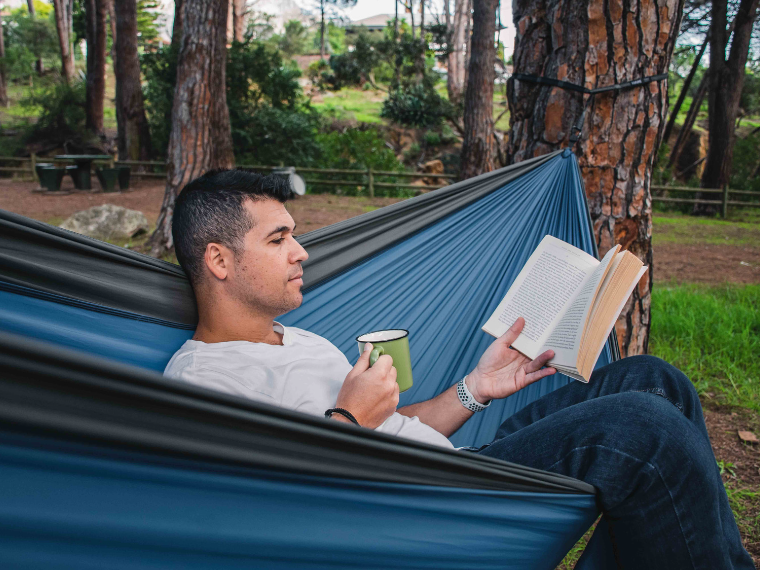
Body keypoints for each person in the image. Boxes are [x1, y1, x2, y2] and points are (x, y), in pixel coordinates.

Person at [164, 169, 755, 570]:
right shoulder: (203, 383)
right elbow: (261, 516)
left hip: (444, 470)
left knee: (652, 379)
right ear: (218, 259)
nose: (303, 251)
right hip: (429, 511)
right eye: (279, 239)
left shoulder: (297, 337)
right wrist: (346, 417)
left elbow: (395, 427)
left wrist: (478, 387)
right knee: (643, 430)